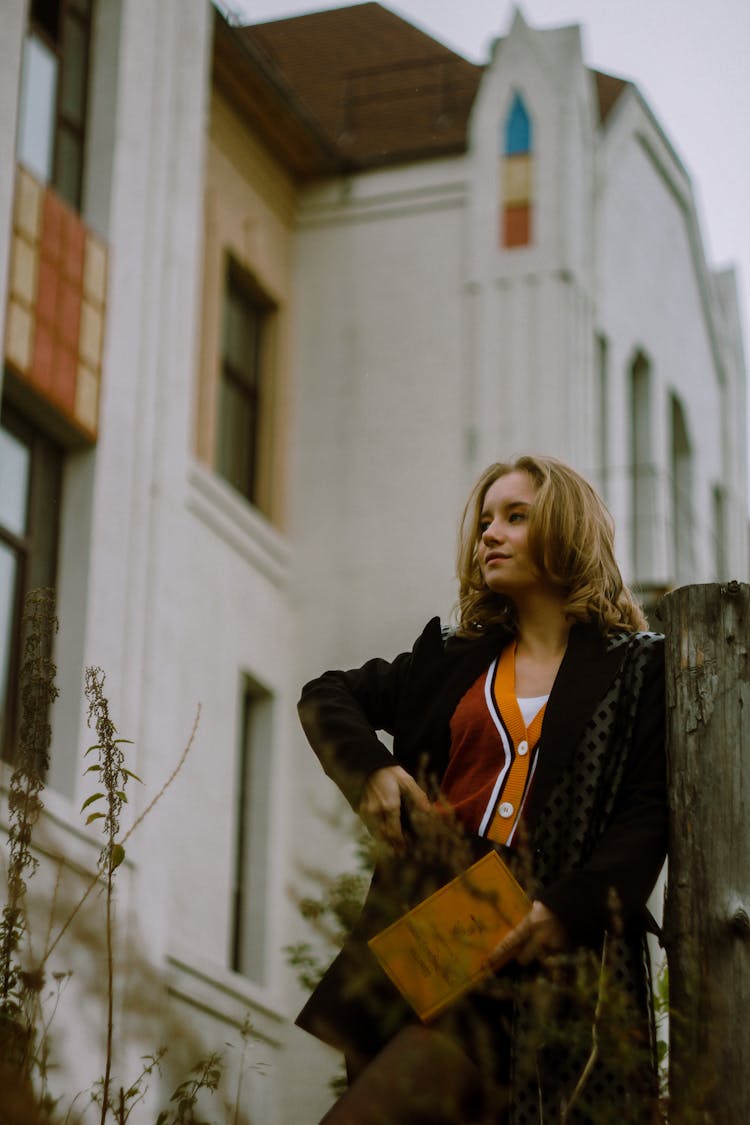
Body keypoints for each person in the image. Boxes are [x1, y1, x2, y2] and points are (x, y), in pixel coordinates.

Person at [296, 455, 667, 1124]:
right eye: (486, 519)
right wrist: (372, 770)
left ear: (566, 530)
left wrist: (569, 908)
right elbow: (327, 694)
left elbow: (646, 815)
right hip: (432, 946)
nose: (489, 533)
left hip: (555, 956)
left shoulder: (638, 667)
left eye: (515, 517)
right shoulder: (451, 652)